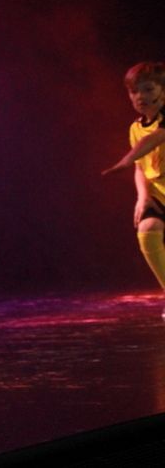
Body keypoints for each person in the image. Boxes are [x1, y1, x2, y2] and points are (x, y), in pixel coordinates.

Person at [101, 61, 165, 319]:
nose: (141, 96)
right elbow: (141, 167)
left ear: (163, 91)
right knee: (147, 229)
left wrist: (126, 160)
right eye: (134, 91)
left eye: (148, 89)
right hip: (159, 193)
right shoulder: (135, 128)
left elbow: (155, 139)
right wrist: (143, 196)